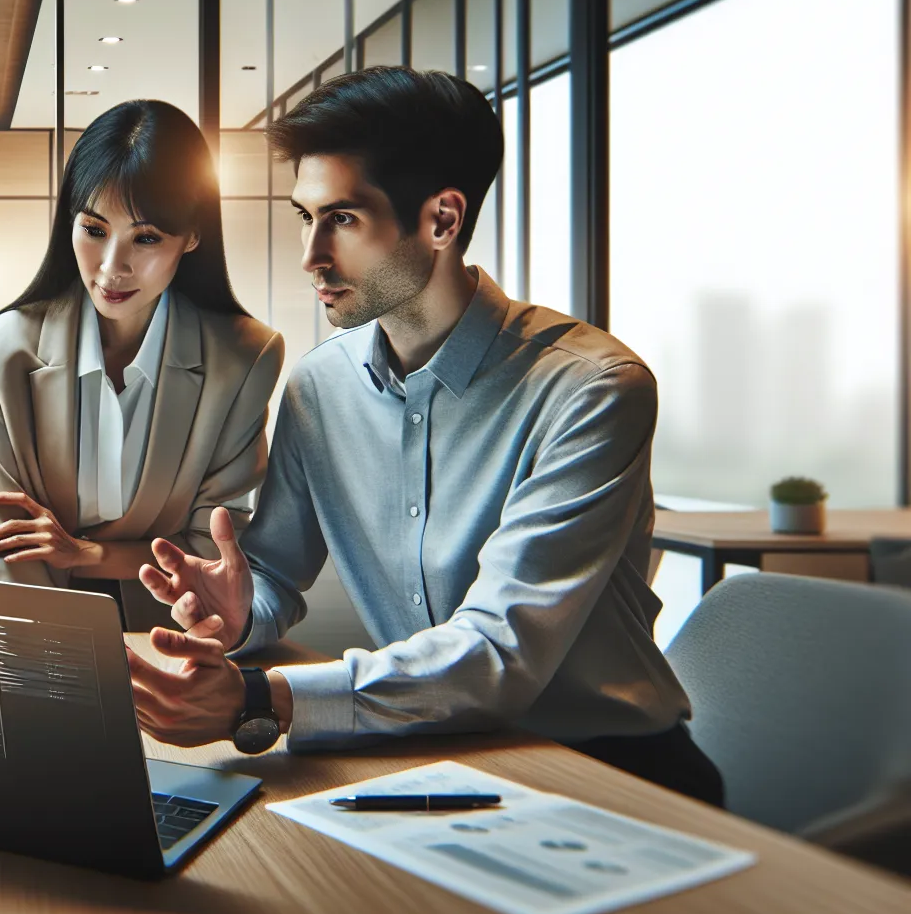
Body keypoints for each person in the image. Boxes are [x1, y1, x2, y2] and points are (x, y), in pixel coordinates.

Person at [126, 67, 724, 807]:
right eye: (303, 216)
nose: (311, 254)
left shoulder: (591, 388)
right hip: (432, 752)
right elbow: (277, 574)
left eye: (342, 219)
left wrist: (263, 698)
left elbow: (501, 648)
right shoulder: (320, 388)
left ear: (442, 220)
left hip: (608, 770)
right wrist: (241, 607)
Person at [0, 99, 284, 630]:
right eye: (93, 229)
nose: (113, 267)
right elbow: (9, 552)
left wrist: (83, 553)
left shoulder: (243, 360)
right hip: (37, 635)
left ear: (193, 235)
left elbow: (207, 556)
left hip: (177, 632)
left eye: (147, 237)